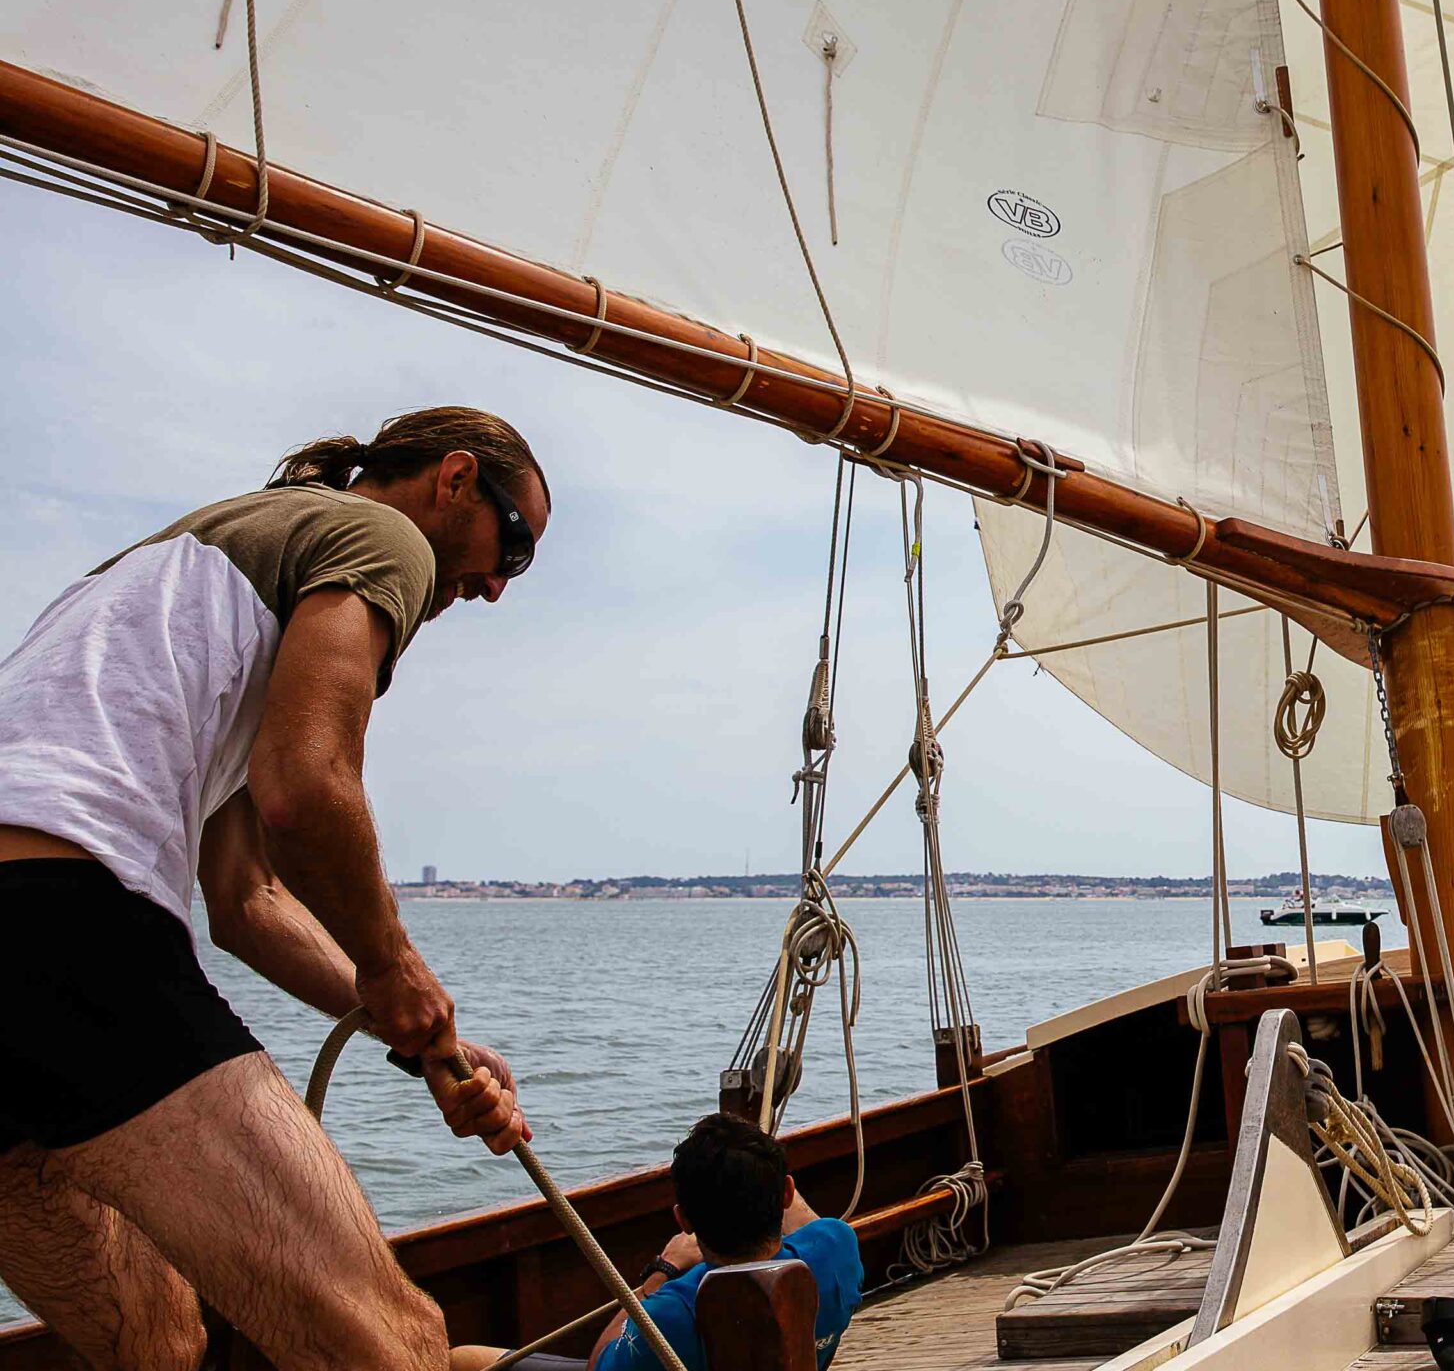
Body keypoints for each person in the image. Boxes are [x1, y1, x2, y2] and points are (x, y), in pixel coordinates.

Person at [0, 407, 551, 1370]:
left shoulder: (184, 573)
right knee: (396, 1344)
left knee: (156, 1339)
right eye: (514, 545)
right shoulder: (381, 536)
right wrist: (393, 964)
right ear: (456, 480)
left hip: (33, 915)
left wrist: (427, 1043)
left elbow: (245, 901)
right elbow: (307, 785)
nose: (499, 586)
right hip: (54, 915)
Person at [450, 1113, 867, 1371]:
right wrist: (753, 1162)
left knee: (460, 1360)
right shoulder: (837, 1251)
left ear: (683, 1220)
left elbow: (599, 1367)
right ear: (787, 1193)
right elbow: (808, 1220)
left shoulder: (672, 1312)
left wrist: (662, 1271)